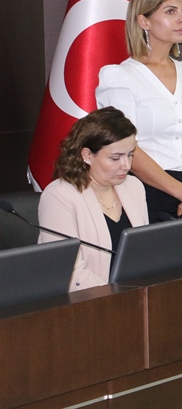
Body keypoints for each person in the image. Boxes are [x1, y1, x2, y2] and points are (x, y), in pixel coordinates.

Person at [96, 0, 182, 222]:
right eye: (170, 11)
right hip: (144, 192)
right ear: (144, 21)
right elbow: (126, 148)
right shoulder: (120, 77)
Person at [38, 107, 148, 290]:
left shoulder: (134, 187)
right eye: (115, 158)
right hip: (87, 304)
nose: (126, 165)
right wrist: (121, 295)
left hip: (133, 296)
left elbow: (144, 256)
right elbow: (69, 273)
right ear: (87, 155)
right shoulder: (59, 196)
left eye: (130, 155)